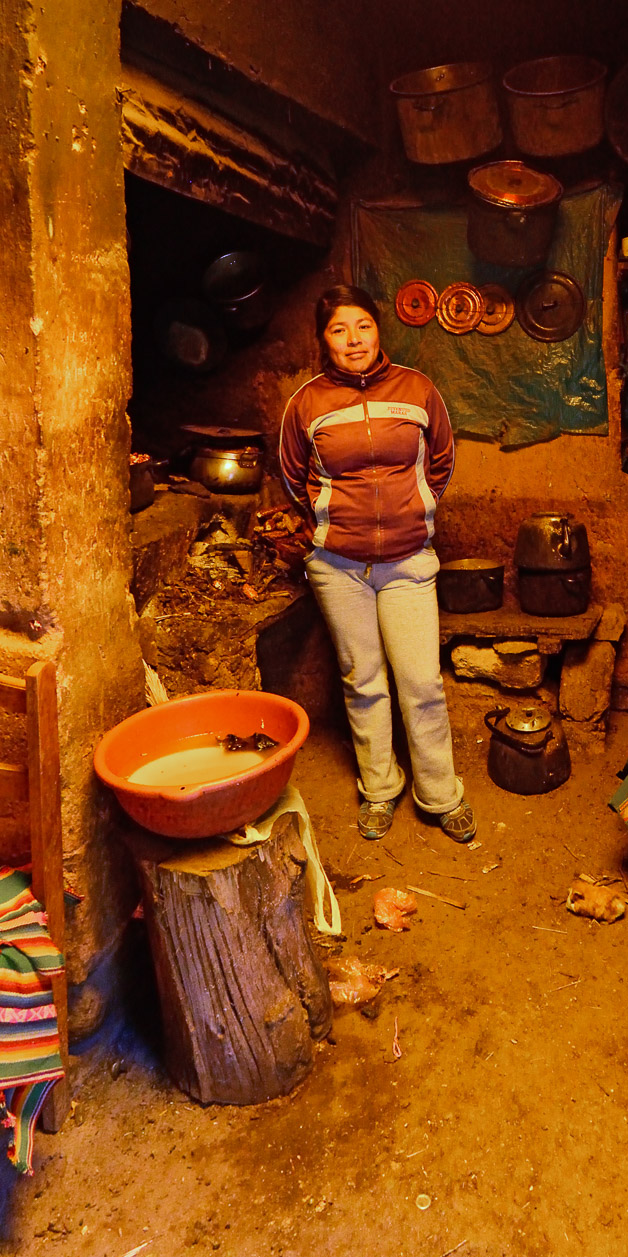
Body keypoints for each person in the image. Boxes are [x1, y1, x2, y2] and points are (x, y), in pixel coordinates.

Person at [279, 284, 476, 843]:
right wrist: (331, 521)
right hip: (338, 564)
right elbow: (293, 475)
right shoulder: (306, 403)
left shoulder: (417, 389)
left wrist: (417, 506)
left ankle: (440, 793)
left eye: (362, 325)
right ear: (324, 341)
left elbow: (442, 459)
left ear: (378, 329)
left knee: (421, 681)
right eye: (339, 330)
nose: (354, 339)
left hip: (408, 561)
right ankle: (379, 787)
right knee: (363, 680)